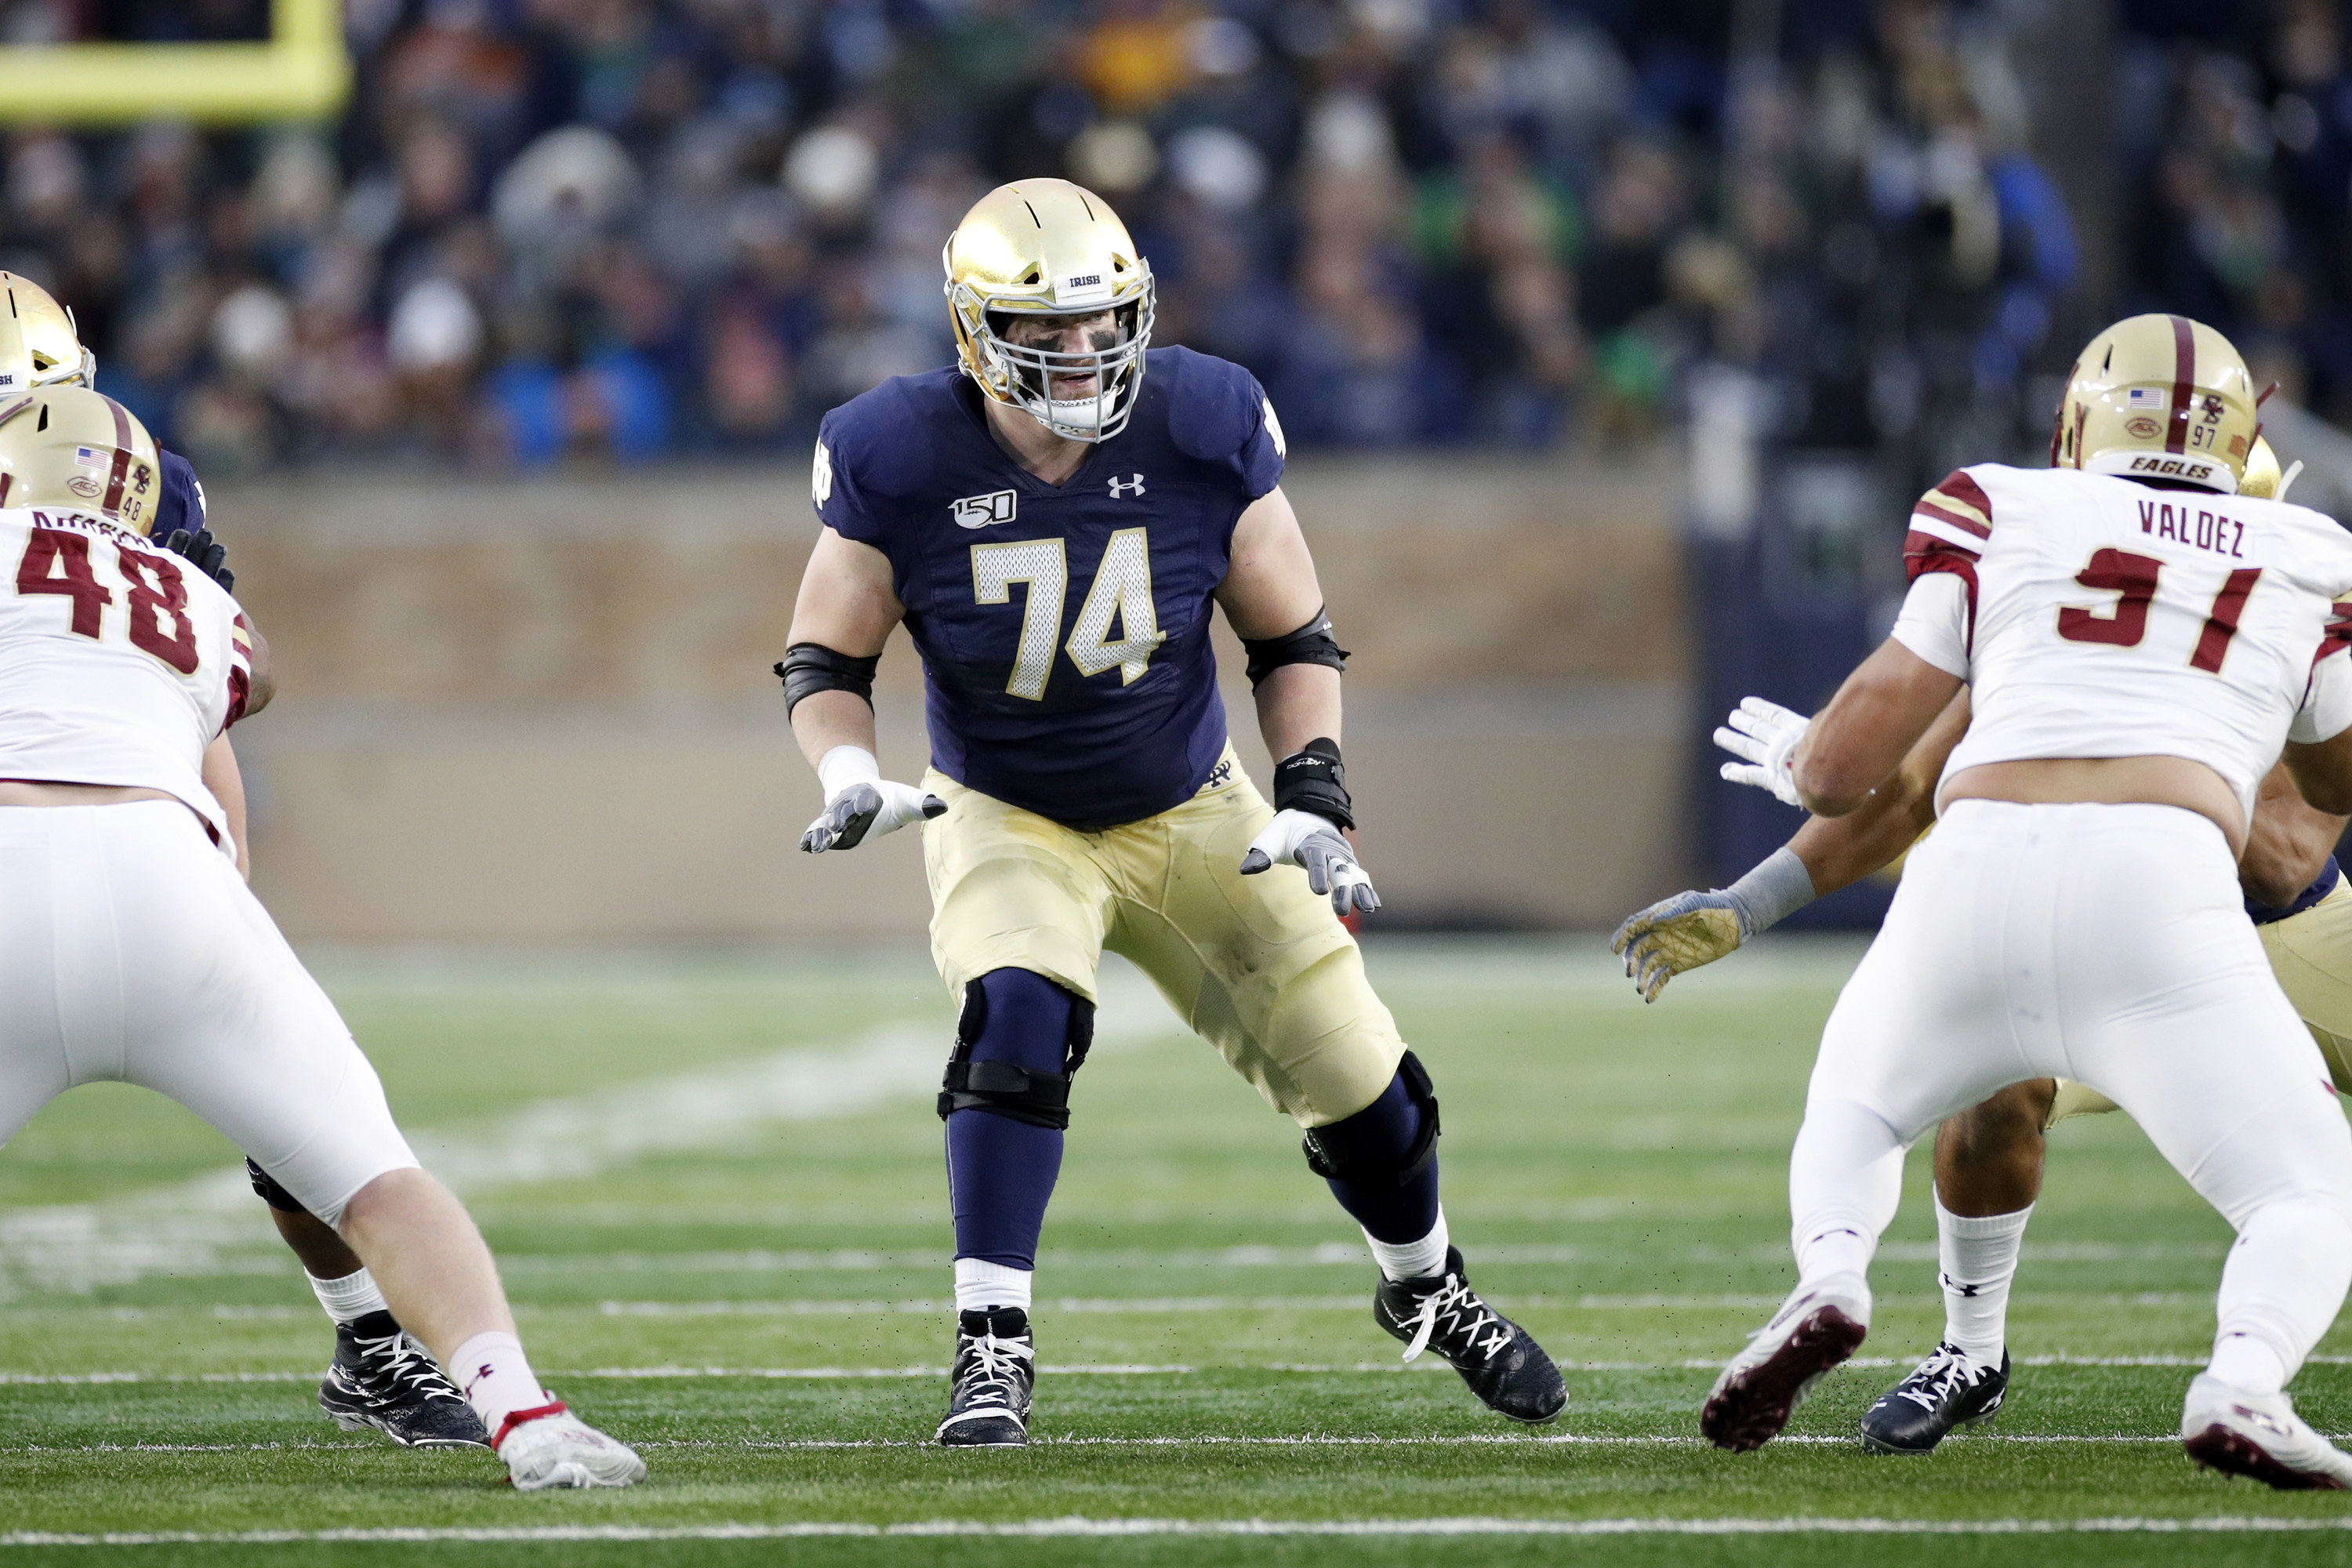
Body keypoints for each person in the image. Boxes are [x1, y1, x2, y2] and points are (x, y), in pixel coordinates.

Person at [784, 177, 1566, 1447]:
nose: (1088, 351)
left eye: (1106, 320)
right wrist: (844, 773)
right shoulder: (896, 450)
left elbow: (1292, 635)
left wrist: (1313, 789)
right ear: (975, 332)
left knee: (1373, 1090)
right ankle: (993, 1346)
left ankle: (1426, 1290)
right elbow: (825, 660)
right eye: (1051, 330)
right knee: (1016, 1019)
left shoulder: (1205, 418)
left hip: (1195, 802)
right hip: (1008, 809)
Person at [1643, 314, 2352, 1487]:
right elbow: (2325, 794)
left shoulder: (2007, 507)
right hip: (2175, 902)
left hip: (1994, 876)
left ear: (2079, 422)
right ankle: (2237, 1380)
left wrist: (1797, 767)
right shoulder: (2305, 554)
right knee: (2304, 1189)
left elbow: (1865, 772)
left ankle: (1829, 1277)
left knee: (1857, 1108)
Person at [0, 383, 641, 1489]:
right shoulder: (197, 602)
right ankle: (524, 1415)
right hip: (170, 884)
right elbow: (243, 681)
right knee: (379, 1183)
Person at [0, 274, 487, 1450]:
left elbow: (207, 678)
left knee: (275, 1074)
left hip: (116, 777)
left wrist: (212, 860)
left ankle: (369, 1337)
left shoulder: (134, 474)